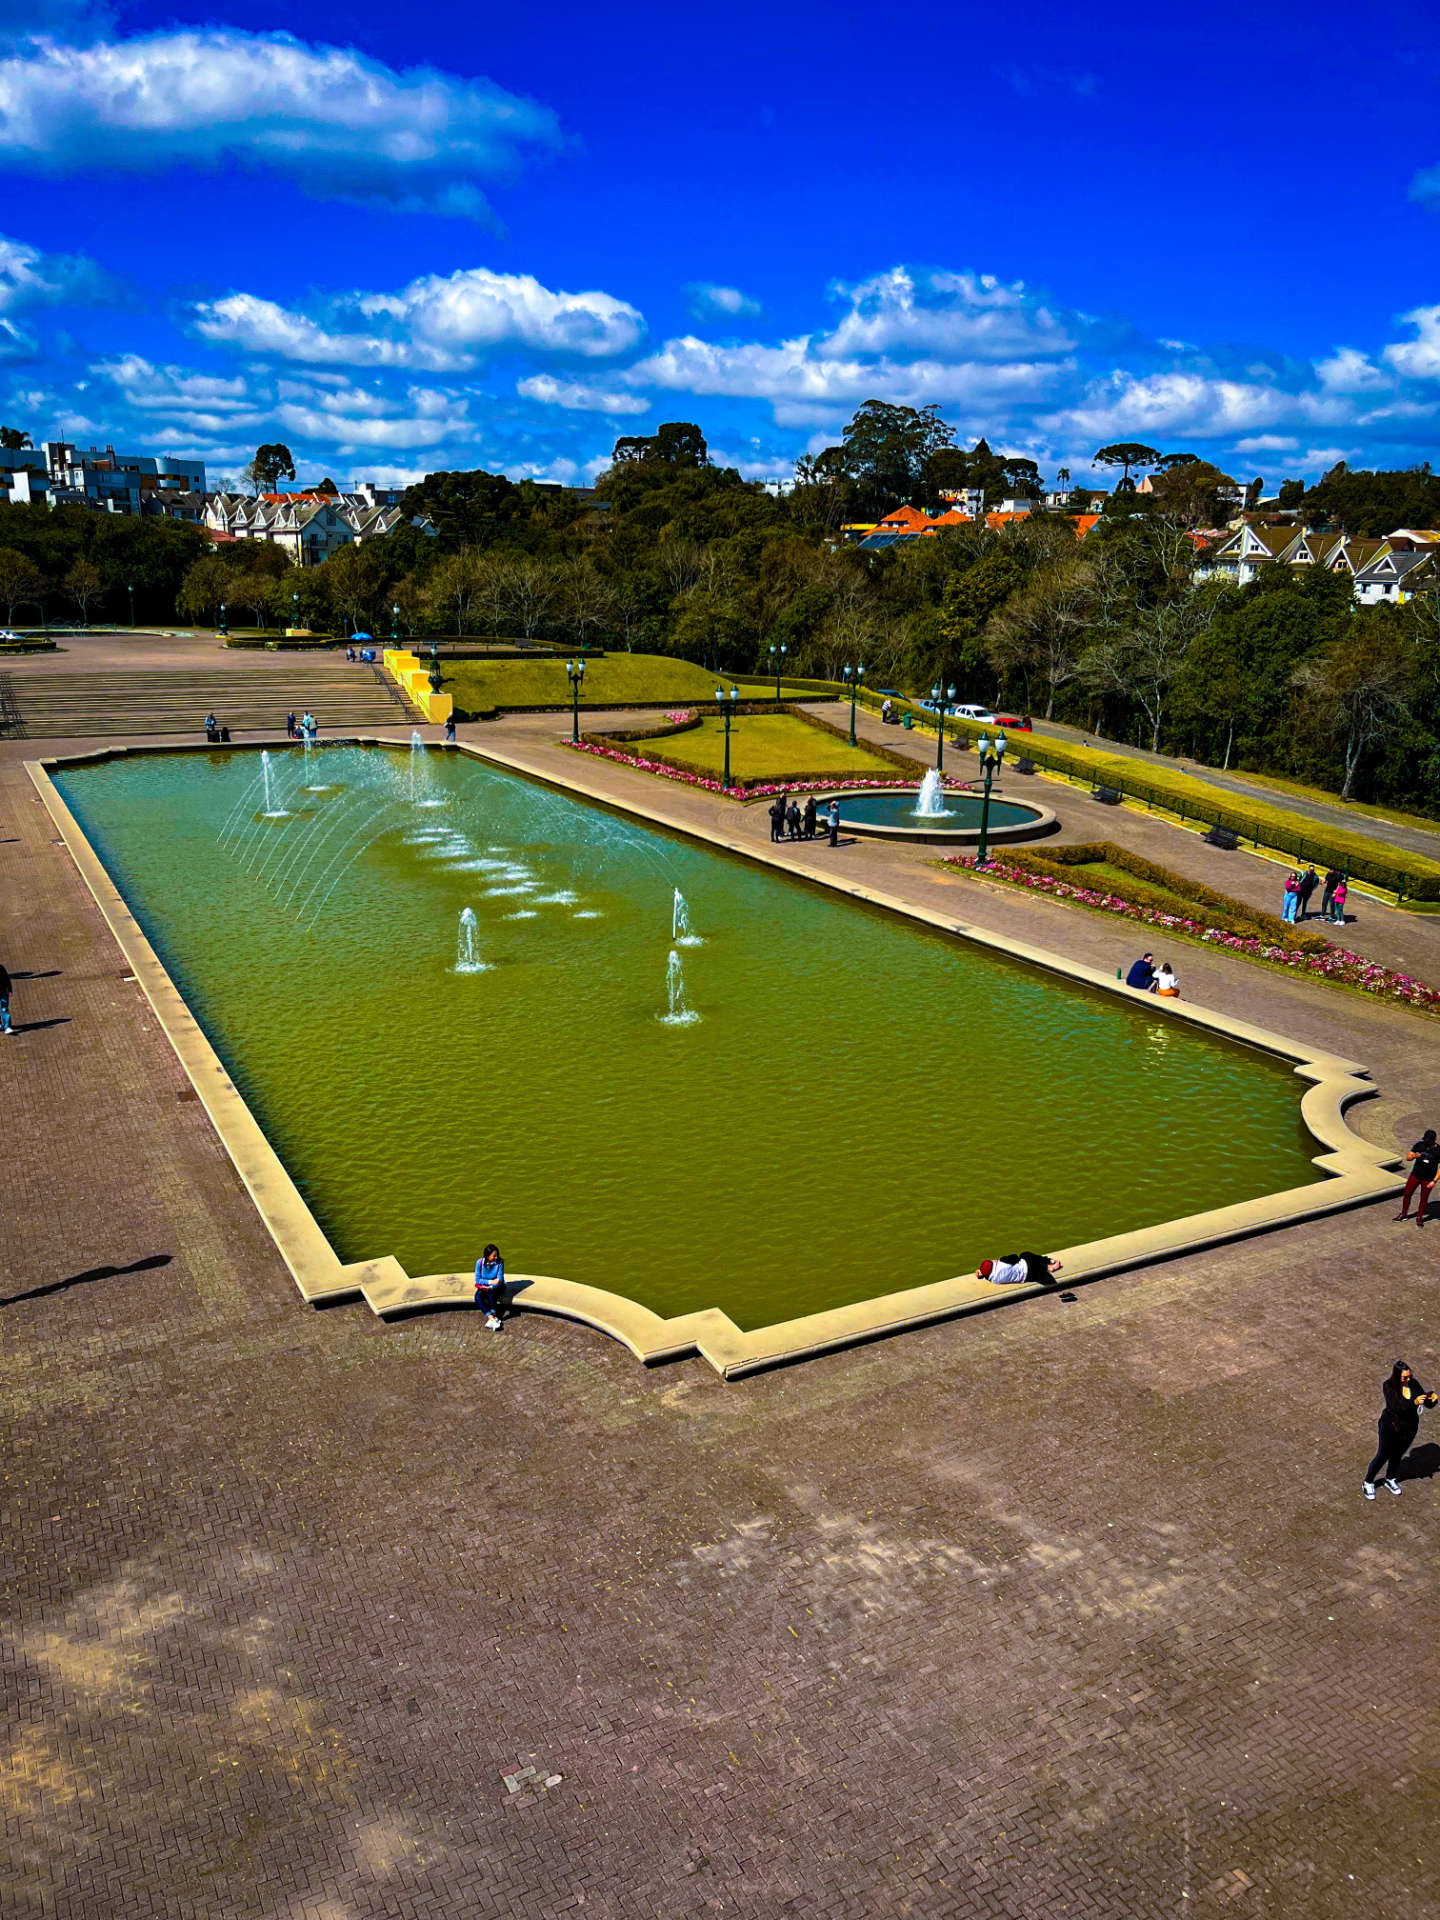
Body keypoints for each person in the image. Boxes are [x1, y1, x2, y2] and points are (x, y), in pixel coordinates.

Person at [1363, 1360, 1436, 1498]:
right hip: (1390, 1426)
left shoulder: (1413, 1384)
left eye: (1409, 1376)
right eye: (1404, 1377)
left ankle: (1389, 1478)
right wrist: (1414, 1402)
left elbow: (1426, 1403)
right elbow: (1397, 1408)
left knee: (1397, 1455)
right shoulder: (1388, 1386)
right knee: (1383, 1455)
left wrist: (1431, 1400)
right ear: (1397, 1376)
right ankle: (1368, 1482)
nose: (1408, 1379)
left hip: (1409, 1428)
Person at [1395, 1129, 1439, 1226]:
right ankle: (1403, 1214)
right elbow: (1408, 1157)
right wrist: (1414, 1155)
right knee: (1407, 1194)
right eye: (1425, 1140)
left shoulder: (1438, 1150)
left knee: (1424, 1199)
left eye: (1428, 1141)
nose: (1426, 1142)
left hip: (1428, 1179)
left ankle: (1419, 1217)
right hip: (1415, 1175)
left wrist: (1434, 1181)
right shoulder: (1419, 1145)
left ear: (1433, 1140)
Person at [977, 1253, 1063, 1287]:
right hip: (1029, 1266)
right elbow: (1015, 1257)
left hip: (1026, 1278)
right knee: (1025, 1254)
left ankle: (1047, 1268)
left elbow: (986, 1272)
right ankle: (1050, 1263)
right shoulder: (1003, 1261)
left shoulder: (993, 1279)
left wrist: (981, 1273)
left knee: (1038, 1275)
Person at [474, 1244, 506, 1331]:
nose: (496, 1257)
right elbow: (477, 1280)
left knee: (491, 1293)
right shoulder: (479, 1263)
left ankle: (493, 1317)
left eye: (497, 1255)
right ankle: (491, 1317)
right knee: (477, 1297)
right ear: (487, 1256)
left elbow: (500, 1280)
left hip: (497, 1287)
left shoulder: (500, 1262)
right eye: (494, 1256)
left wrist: (491, 1286)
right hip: (484, 1286)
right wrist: (490, 1282)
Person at [0, 957, 12, 1035]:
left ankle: (7, 1027)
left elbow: (7, 980)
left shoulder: (1, 968)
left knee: (4, 1009)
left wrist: (10, 990)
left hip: (3, 992)